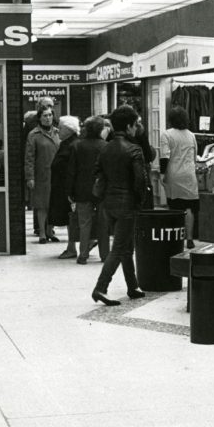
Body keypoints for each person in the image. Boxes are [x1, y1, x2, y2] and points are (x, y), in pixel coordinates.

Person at [91, 105, 146, 306]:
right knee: (120, 247)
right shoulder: (134, 149)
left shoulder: (105, 147)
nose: (137, 127)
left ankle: (133, 286)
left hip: (108, 202)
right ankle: (100, 288)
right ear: (129, 126)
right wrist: (140, 201)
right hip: (127, 203)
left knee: (125, 247)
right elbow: (140, 180)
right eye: (136, 124)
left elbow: (97, 173)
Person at [66, 115, 109, 265]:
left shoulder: (77, 146)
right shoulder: (105, 146)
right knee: (103, 223)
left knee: (84, 223)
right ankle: (105, 255)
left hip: (82, 190)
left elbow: (71, 171)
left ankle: (83, 255)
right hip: (102, 190)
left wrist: (70, 191)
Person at [160, 106, 199, 249]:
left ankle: (176, 237)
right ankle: (189, 239)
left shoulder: (167, 134)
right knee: (189, 207)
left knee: (175, 206)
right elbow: (195, 156)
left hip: (173, 174)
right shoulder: (191, 135)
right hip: (189, 174)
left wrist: (162, 175)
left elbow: (164, 156)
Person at [26, 107, 60, 244]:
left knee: (54, 204)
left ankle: (50, 230)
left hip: (57, 175)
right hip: (41, 174)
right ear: (39, 118)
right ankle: (41, 233)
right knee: (41, 205)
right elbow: (29, 157)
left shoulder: (58, 132)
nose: (48, 118)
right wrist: (30, 177)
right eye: (45, 115)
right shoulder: (33, 135)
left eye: (50, 115)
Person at [49, 116, 81, 259]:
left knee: (71, 218)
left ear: (68, 130)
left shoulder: (72, 145)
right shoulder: (66, 143)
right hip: (63, 186)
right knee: (70, 218)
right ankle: (73, 245)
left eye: (60, 128)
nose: (57, 130)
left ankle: (72, 247)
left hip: (67, 187)